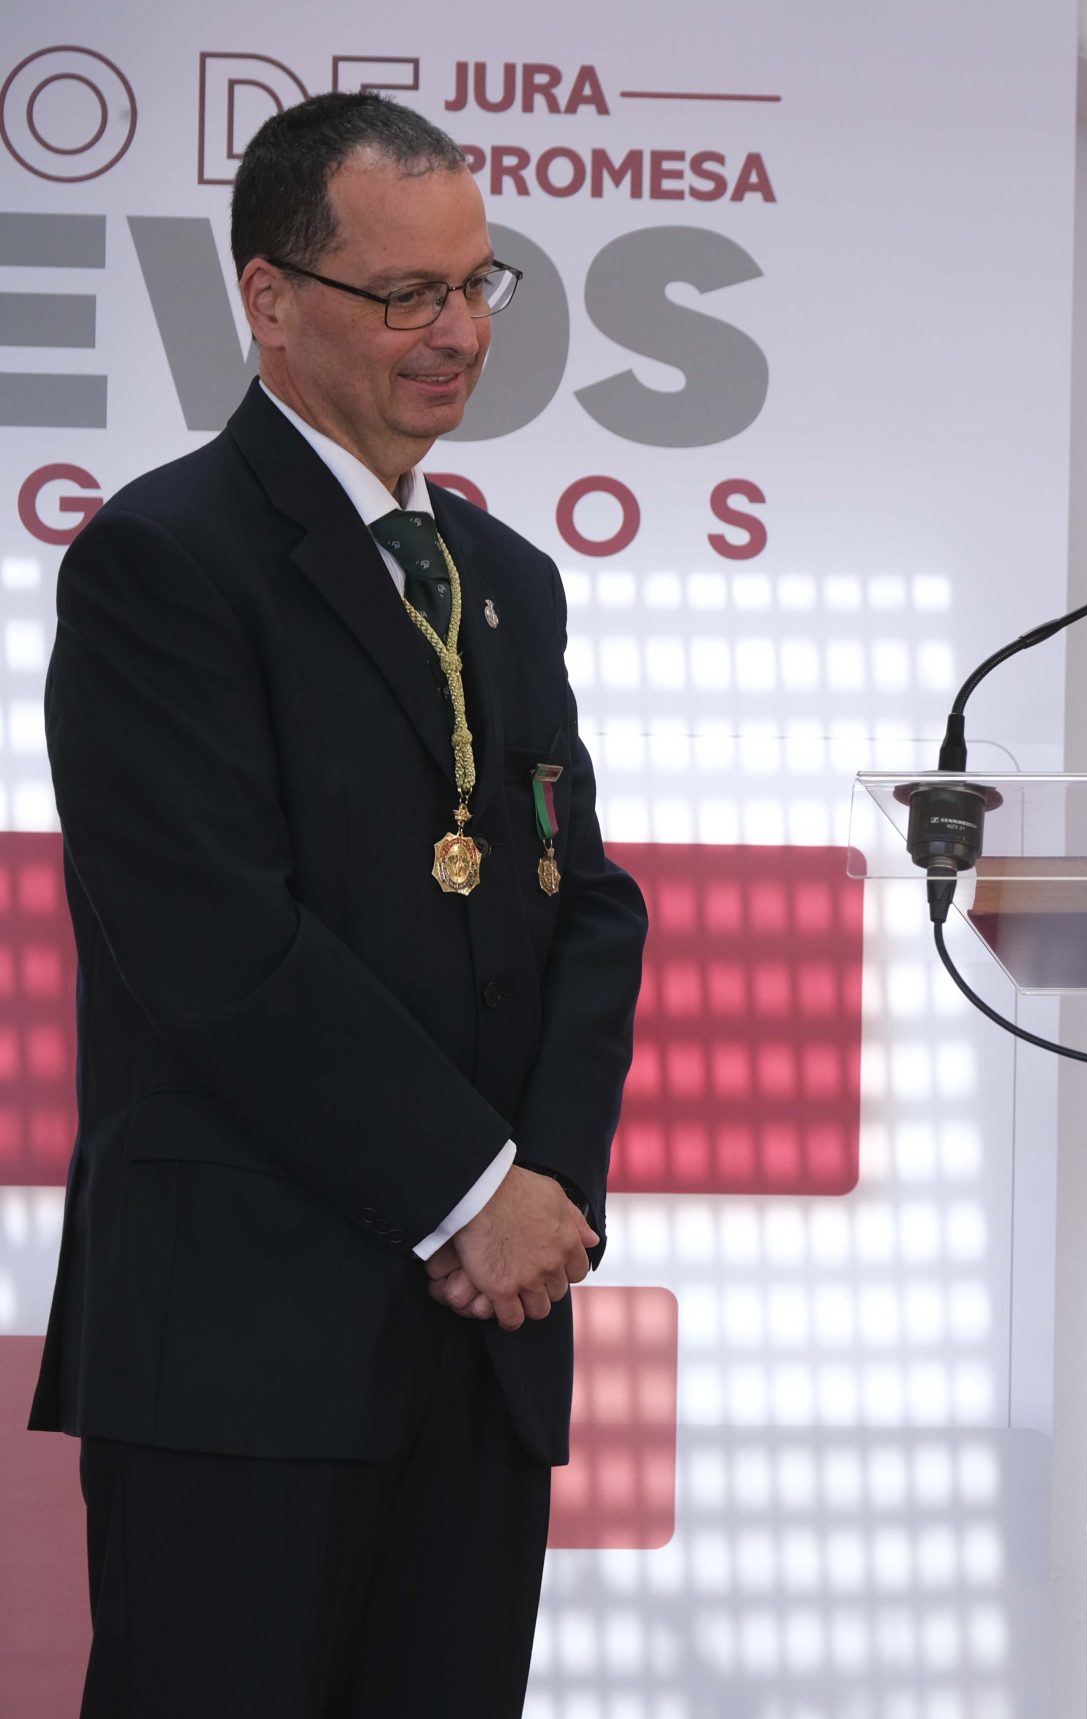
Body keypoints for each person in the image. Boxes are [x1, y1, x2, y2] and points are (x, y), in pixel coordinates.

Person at [28, 92, 647, 1716]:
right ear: (270, 298)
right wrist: (471, 1193)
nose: (458, 334)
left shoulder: (507, 581)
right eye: (404, 295)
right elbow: (219, 951)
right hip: (244, 1347)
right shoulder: (163, 560)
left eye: (476, 285)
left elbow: (586, 903)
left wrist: (547, 1197)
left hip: (485, 1338)